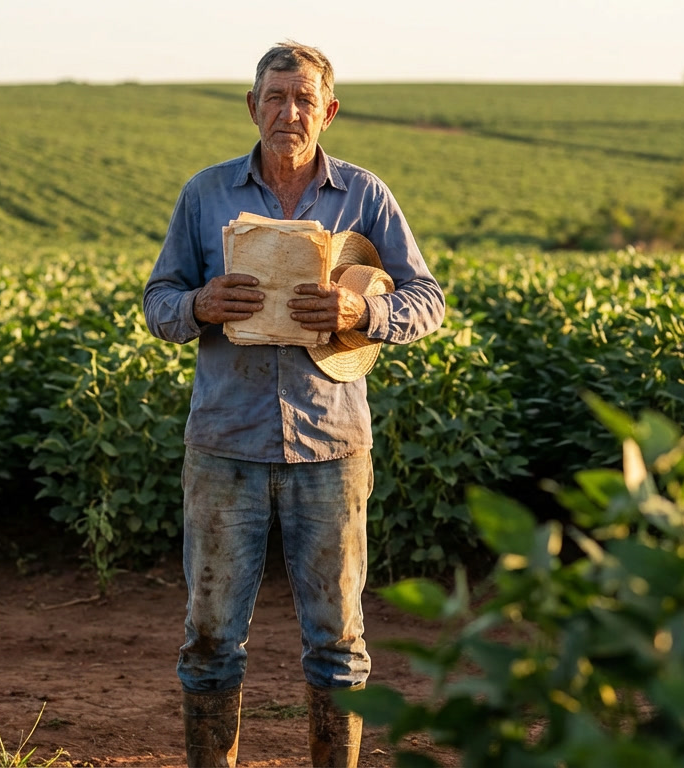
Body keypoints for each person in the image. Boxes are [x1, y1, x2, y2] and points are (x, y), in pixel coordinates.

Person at [142, 42, 446, 768]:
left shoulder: (366, 196)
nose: (289, 111)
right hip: (225, 446)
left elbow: (427, 301)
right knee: (211, 638)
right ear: (253, 107)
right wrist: (200, 304)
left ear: (329, 111)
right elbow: (158, 303)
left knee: (338, 641)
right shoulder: (205, 193)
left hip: (332, 448)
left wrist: (359, 311)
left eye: (304, 98)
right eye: (275, 97)